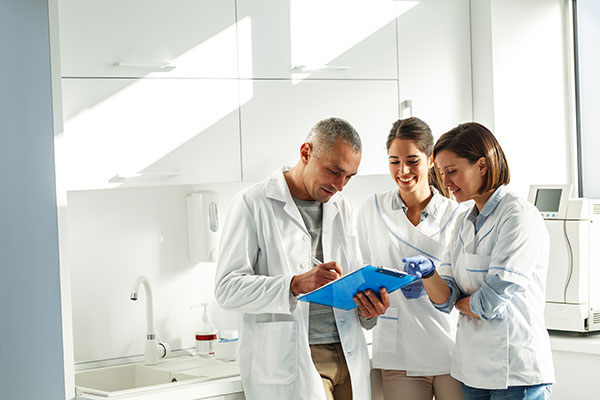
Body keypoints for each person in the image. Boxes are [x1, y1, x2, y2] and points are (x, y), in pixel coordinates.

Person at [215, 117, 390, 400]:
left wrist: (368, 309)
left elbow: (351, 282)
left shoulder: (342, 207)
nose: (341, 185)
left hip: (348, 353)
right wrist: (294, 284)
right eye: (334, 171)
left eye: (349, 176)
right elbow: (227, 289)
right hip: (295, 357)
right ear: (306, 152)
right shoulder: (253, 203)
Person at [403, 122, 554, 399]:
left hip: (516, 372)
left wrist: (459, 301)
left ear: (482, 166)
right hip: (472, 372)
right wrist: (428, 276)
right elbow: (444, 299)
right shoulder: (463, 219)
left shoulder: (518, 216)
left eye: (452, 172)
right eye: (441, 173)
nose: (445, 182)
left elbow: (490, 304)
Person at [356, 117, 465, 400]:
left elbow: (466, 284)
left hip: (450, 346)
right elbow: (361, 270)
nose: (402, 171)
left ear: (430, 161)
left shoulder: (456, 215)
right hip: (398, 350)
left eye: (412, 160)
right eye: (394, 161)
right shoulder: (372, 209)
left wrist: (432, 282)